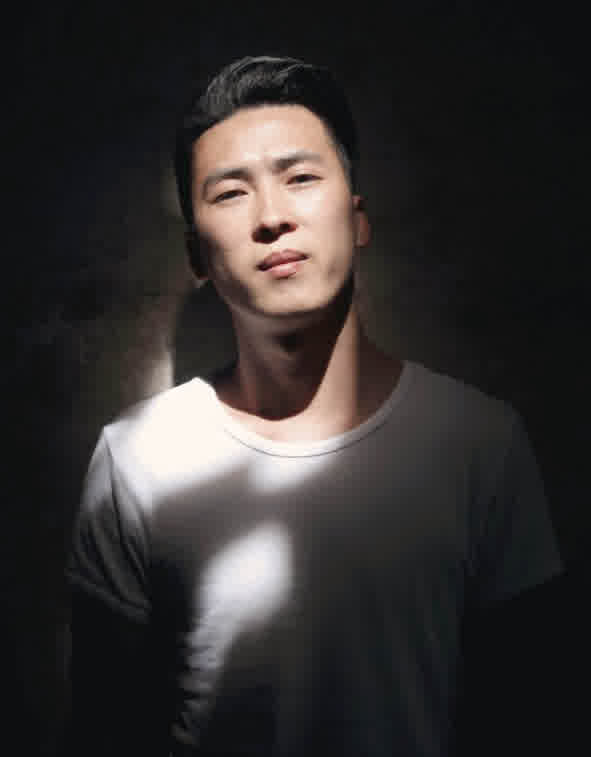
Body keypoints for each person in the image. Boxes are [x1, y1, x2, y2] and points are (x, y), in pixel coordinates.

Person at [66, 55, 563, 757]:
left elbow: (529, 715)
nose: (272, 217)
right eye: (230, 193)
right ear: (197, 255)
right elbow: (104, 728)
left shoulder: (480, 444)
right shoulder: (135, 458)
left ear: (357, 219)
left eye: (300, 178)